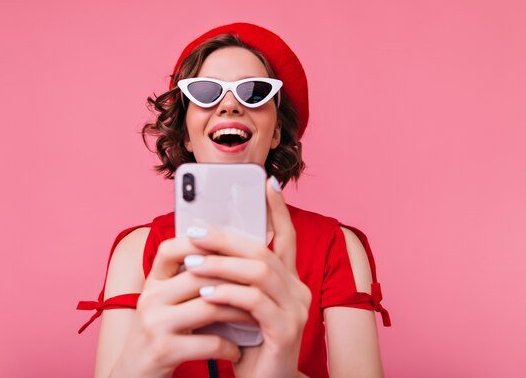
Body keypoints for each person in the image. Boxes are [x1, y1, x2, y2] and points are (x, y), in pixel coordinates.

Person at [77, 23, 391, 378]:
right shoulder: (138, 250)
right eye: (206, 92)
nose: (229, 105)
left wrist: (279, 372)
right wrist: (142, 362)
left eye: (253, 92)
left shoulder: (336, 245)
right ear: (187, 135)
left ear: (275, 132)